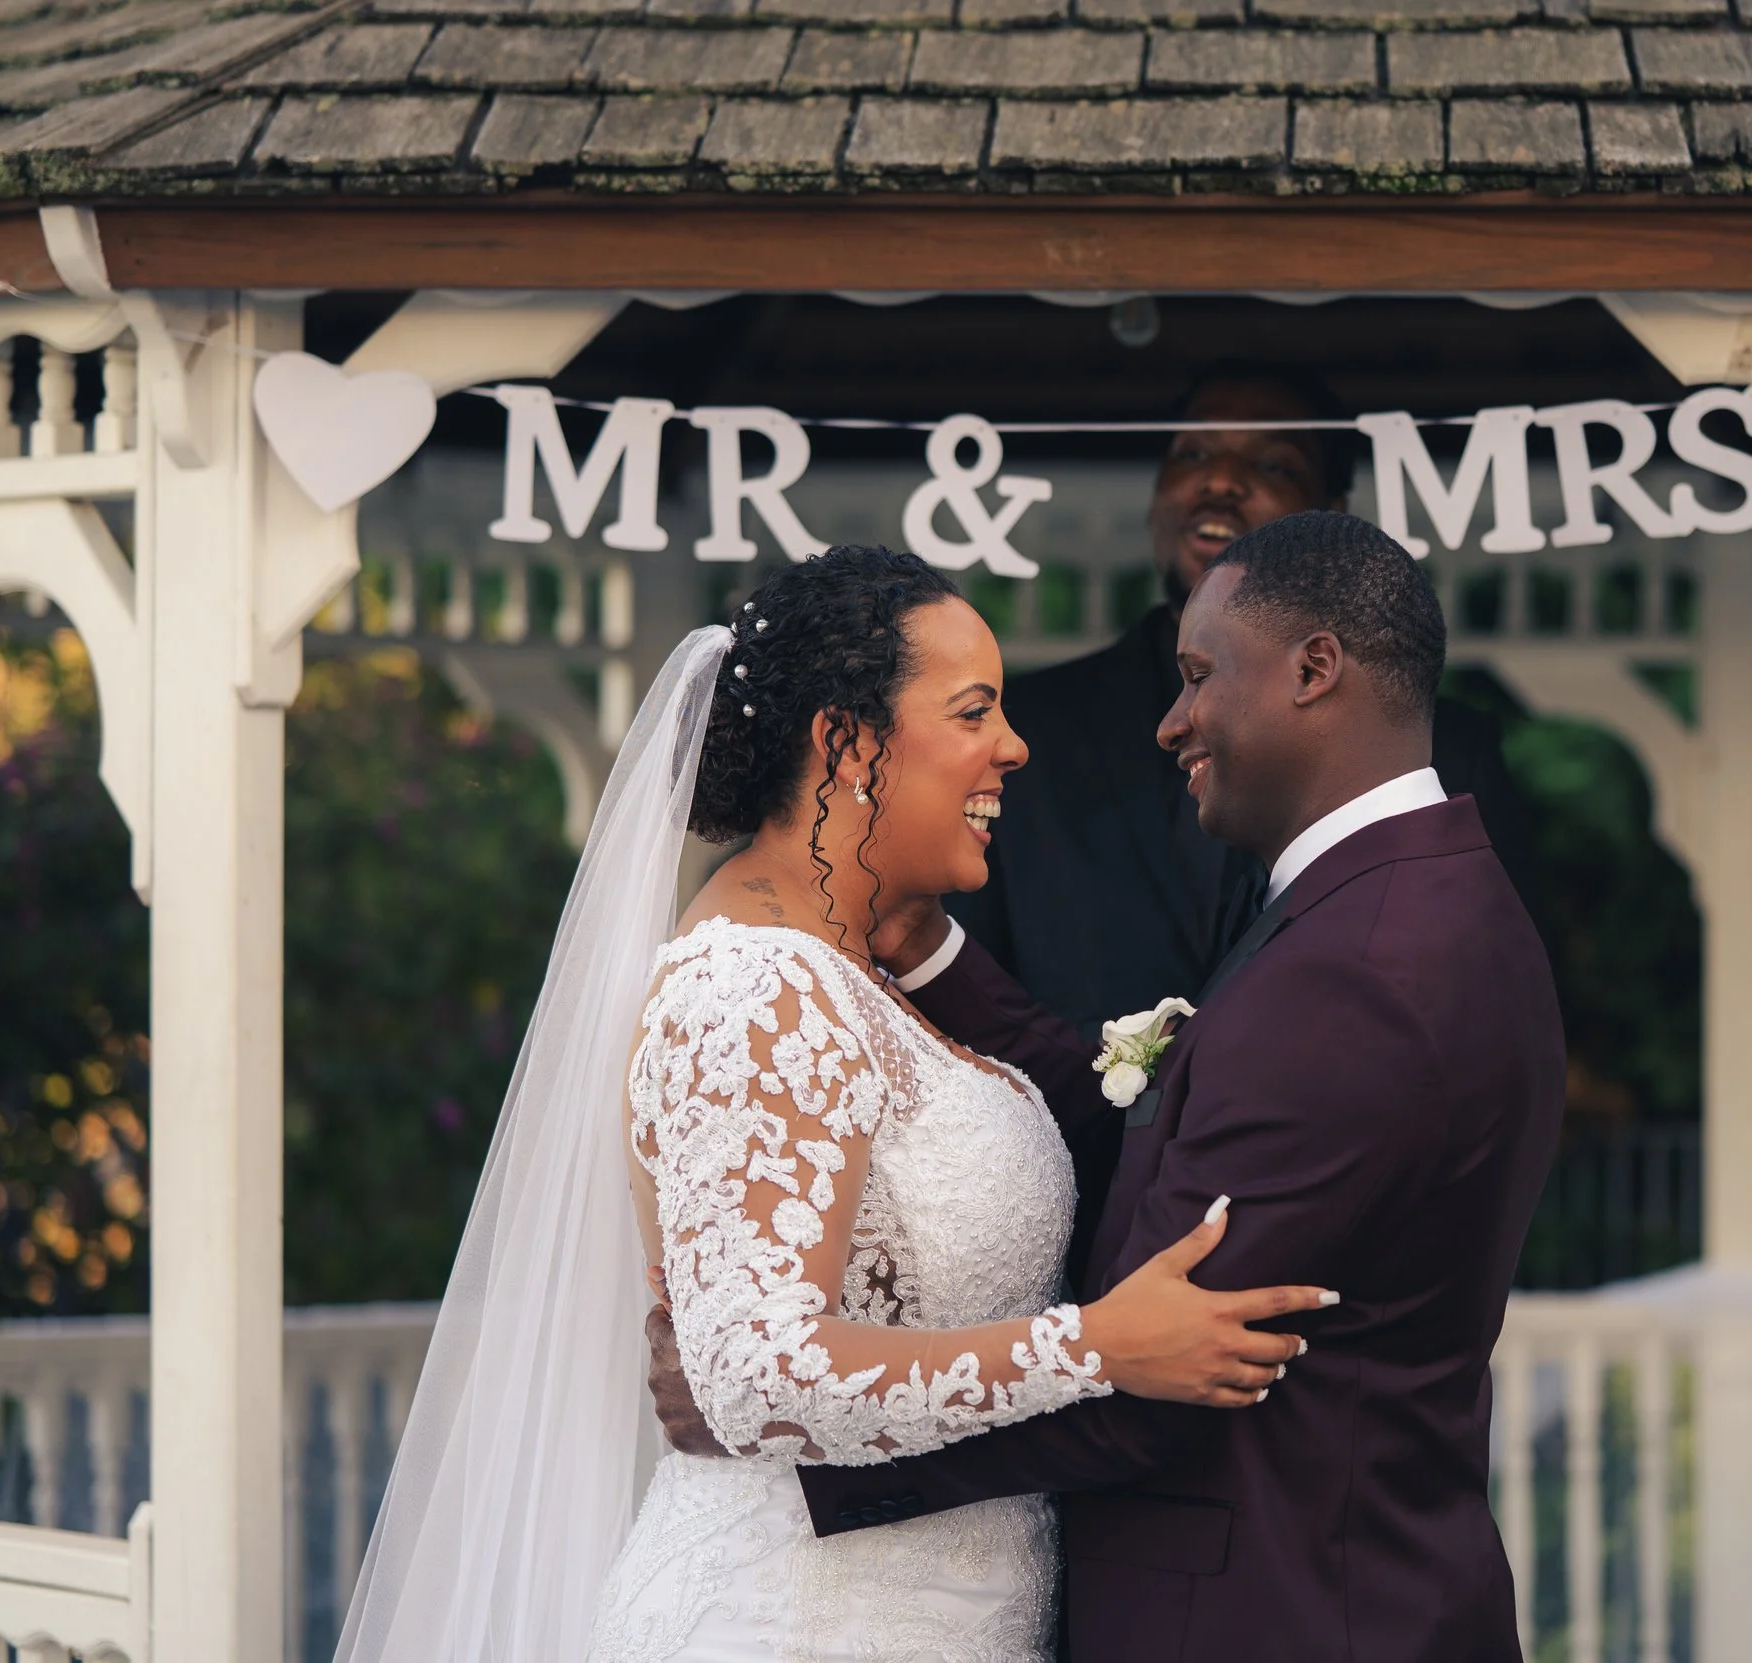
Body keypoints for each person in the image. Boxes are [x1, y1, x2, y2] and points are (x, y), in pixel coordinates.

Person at [332, 546, 1330, 1663]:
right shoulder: (752, 987)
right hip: (801, 1622)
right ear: (845, 742)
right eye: (971, 712)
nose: (1013, 745)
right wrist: (1096, 1346)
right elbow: (758, 1376)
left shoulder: (853, 977)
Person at [763, 513, 1569, 1660]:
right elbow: (1161, 1131)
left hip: (1275, 1617)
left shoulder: (1360, 968)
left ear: (1313, 668)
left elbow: (1163, 1374)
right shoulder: (1416, 905)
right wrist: (937, 954)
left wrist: (810, 1451)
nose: (1170, 720)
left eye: (1197, 676)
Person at [949, 364, 1536, 1049]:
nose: (1221, 480)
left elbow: (1494, 1012)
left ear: (1332, 517)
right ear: (1153, 499)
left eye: (1273, 463)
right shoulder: (1025, 730)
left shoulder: (1444, 748)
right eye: (1193, 453)